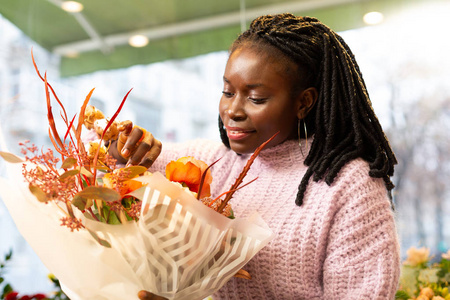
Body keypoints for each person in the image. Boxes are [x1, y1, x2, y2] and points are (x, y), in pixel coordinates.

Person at [114, 13, 400, 299]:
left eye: (255, 98)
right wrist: (120, 145)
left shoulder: (349, 185)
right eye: (227, 92)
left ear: (304, 102)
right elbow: (95, 162)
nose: (232, 110)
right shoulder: (209, 163)